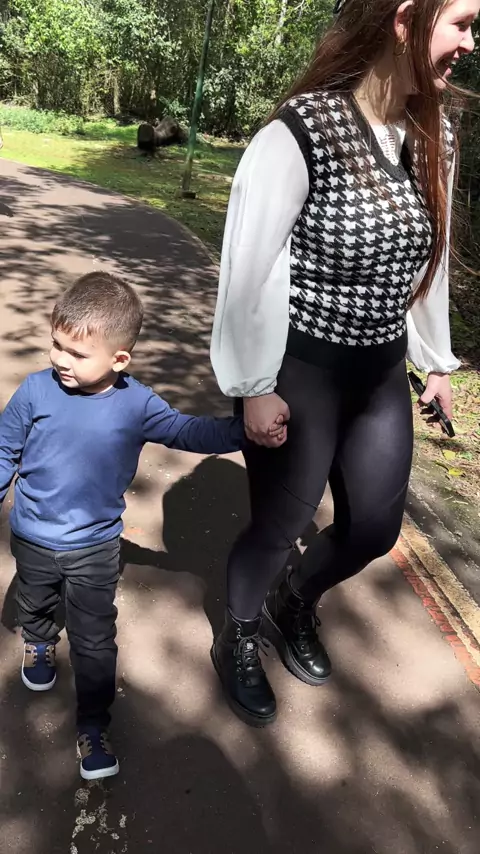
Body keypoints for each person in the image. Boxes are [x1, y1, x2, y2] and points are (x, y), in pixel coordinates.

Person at [210, 0, 477, 727]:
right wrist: (253, 385)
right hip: (300, 372)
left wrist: (436, 362)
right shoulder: (300, 131)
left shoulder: (436, 134)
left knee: (374, 530)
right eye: (462, 23)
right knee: (279, 524)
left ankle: (295, 599)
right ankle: (238, 635)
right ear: (405, 21)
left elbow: (429, 260)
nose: (470, 43)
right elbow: (250, 268)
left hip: (380, 375)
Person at [0, 271, 249, 779]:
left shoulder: (136, 404)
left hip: (95, 547)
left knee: (94, 638)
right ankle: (40, 640)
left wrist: (244, 431)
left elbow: (186, 430)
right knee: (35, 596)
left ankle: (94, 725)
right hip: (32, 535)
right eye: (57, 345)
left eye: (77, 353)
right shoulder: (35, 392)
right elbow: (4, 451)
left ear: (119, 360)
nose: (60, 360)